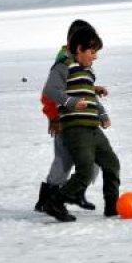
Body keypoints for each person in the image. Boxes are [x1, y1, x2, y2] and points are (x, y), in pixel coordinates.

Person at [34, 20, 106, 218]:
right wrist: (53, 117)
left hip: (82, 121)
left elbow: (79, 86)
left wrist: (94, 91)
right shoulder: (63, 62)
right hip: (65, 122)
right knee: (63, 162)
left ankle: (76, 193)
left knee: (93, 160)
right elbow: (48, 94)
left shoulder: (79, 61)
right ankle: (47, 198)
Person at [48, 26, 121, 218]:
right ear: (79, 48)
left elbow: (90, 97)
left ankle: (112, 207)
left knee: (112, 163)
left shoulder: (88, 72)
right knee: (85, 170)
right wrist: (70, 102)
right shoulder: (63, 66)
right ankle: (54, 202)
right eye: (92, 51)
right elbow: (51, 90)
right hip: (75, 129)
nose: (95, 56)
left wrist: (102, 114)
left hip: (93, 127)